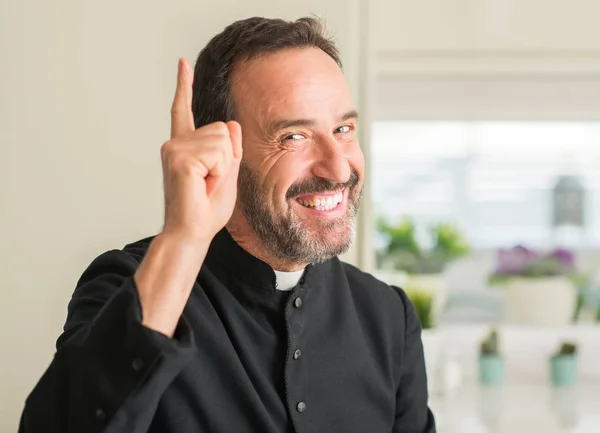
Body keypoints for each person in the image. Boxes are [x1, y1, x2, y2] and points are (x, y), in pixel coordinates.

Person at [19, 16, 436, 433]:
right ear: (220, 152)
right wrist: (184, 238)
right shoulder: (128, 285)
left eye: (343, 129)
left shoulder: (387, 316)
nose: (338, 166)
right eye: (294, 136)